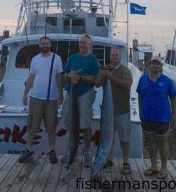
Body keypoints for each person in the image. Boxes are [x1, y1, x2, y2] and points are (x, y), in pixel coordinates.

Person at [19, 36, 63, 164]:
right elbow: (31, 76)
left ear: (50, 45)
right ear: (39, 45)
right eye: (43, 43)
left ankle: (51, 151)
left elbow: (59, 76)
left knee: (51, 127)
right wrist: (25, 94)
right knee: (32, 126)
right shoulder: (35, 59)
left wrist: (60, 94)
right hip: (36, 98)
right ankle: (28, 150)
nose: (45, 45)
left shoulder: (57, 59)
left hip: (51, 99)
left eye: (47, 43)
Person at [62, 34, 100, 167]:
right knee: (69, 121)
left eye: (84, 43)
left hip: (85, 93)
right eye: (80, 43)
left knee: (86, 124)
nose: (81, 45)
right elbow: (65, 74)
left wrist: (80, 78)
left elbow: (95, 79)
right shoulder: (72, 58)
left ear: (89, 44)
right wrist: (69, 76)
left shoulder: (93, 59)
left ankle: (87, 152)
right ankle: (71, 151)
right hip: (71, 93)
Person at [136, 56, 176, 179]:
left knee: (163, 142)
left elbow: (173, 97)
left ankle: (164, 167)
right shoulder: (142, 79)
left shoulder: (167, 81)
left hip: (162, 117)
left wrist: (174, 113)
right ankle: (153, 166)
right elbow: (140, 96)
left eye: (157, 63)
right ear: (149, 65)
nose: (155, 65)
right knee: (150, 141)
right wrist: (140, 111)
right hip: (147, 116)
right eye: (153, 63)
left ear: (161, 66)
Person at [95, 48, 133, 175]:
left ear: (120, 56)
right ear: (110, 56)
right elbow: (97, 84)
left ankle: (126, 162)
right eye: (112, 55)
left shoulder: (125, 70)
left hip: (122, 110)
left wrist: (112, 78)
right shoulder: (104, 68)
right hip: (107, 112)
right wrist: (103, 75)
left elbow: (127, 84)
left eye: (116, 55)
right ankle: (108, 159)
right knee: (108, 136)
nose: (114, 56)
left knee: (124, 138)